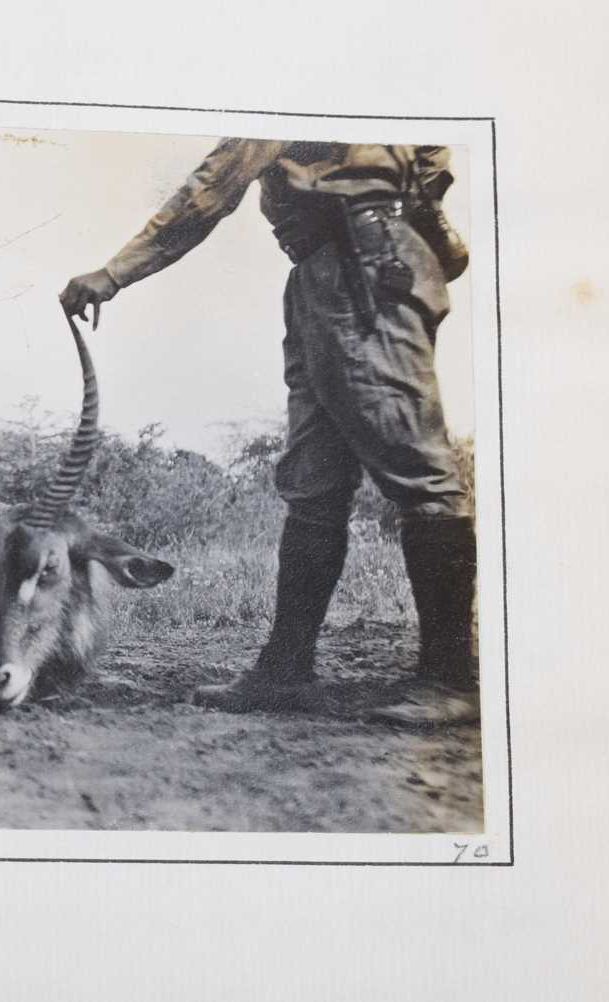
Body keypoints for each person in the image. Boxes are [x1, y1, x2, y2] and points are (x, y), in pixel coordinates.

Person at [59, 140, 477, 727]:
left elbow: (209, 192)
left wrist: (113, 273)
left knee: (420, 470)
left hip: (362, 265)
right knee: (314, 481)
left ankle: (450, 678)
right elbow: (432, 162)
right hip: (334, 268)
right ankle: (285, 671)